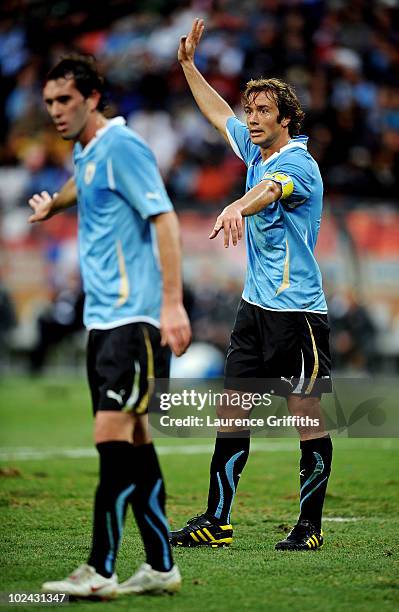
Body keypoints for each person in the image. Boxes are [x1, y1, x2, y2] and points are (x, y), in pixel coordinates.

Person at [28, 54, 191, 597]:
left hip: (135, 318)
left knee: (110, 434)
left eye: (65, 100)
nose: (55, 111)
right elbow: (83, 182)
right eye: (49, 102)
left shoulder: (123, 146)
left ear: (93, 97)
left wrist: (172, 304)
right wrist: (56, 205)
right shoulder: (88, 151)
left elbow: (164, 218)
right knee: (136, 439)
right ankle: (162, 566)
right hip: (103, 319)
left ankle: (100, 570)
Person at [170, 19, 333, 552]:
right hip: (254, 308)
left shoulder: (299, 165)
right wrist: (190, 67)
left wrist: (236, 204)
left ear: (287, 119)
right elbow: (219, 114)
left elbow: (270, 190)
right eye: (251, 110)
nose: (252, 118)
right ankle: (218, 520)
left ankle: (309, 527)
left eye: (264, 111)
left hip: (298, 312)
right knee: (232, 410)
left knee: (305, 416)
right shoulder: (254, 146)